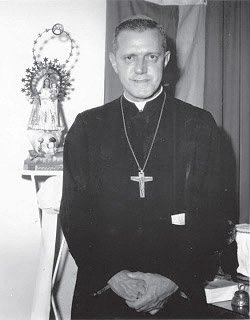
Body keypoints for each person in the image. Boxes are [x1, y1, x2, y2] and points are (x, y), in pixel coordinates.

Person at [60, 16, 231, 319]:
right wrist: (113, 276)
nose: (140, 69)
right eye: (129, 57)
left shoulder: (199, 125)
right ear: (114, 62)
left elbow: (215, 216)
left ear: (165, 60)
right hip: (105, 291)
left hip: (178, 291)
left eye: (150, 56)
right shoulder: (88, 127)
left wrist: (170, 280)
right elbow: (74, 216)